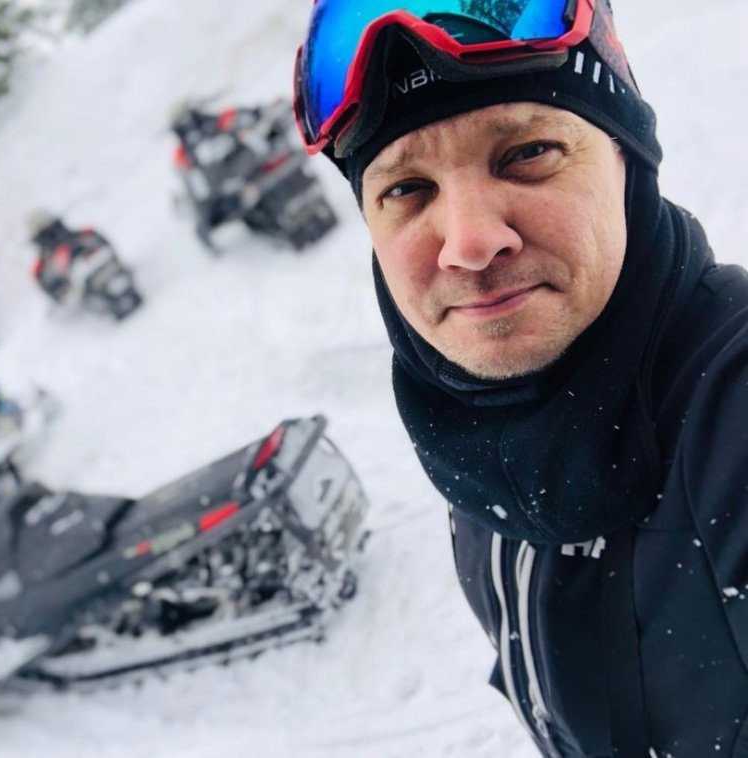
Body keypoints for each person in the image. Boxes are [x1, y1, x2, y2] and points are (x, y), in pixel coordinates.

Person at [294, 2, 748, 756]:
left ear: (627, 160)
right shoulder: (468, 420)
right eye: (407, 190)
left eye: (528, 153)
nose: (470, 243)